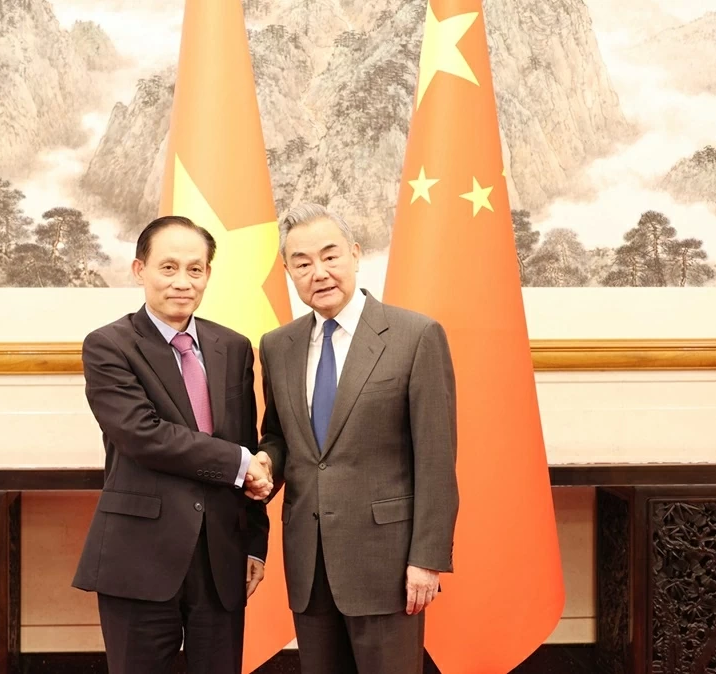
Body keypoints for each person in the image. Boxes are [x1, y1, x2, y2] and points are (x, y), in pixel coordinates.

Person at [253, 203, 459, 673]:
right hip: (309, 559)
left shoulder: (415, 335)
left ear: (356, 254)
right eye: (302, 263)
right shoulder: (277, 346)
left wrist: (427, 558)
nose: (318, 272)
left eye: (330, 256)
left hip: (386, 563)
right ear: (289, 272)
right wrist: (266, 462)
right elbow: (281, 437)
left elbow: (436, 457)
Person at [72, 215, 274, 674]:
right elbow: (143, 435)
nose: (183, 282)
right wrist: (240, 462)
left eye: (195, 269)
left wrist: (255, 544)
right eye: (168, 268)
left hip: (222, 557)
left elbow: (247, 444)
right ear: (139, 270)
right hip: (139, 555)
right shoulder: (109, 346)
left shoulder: (235, 347)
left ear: (207, 275)